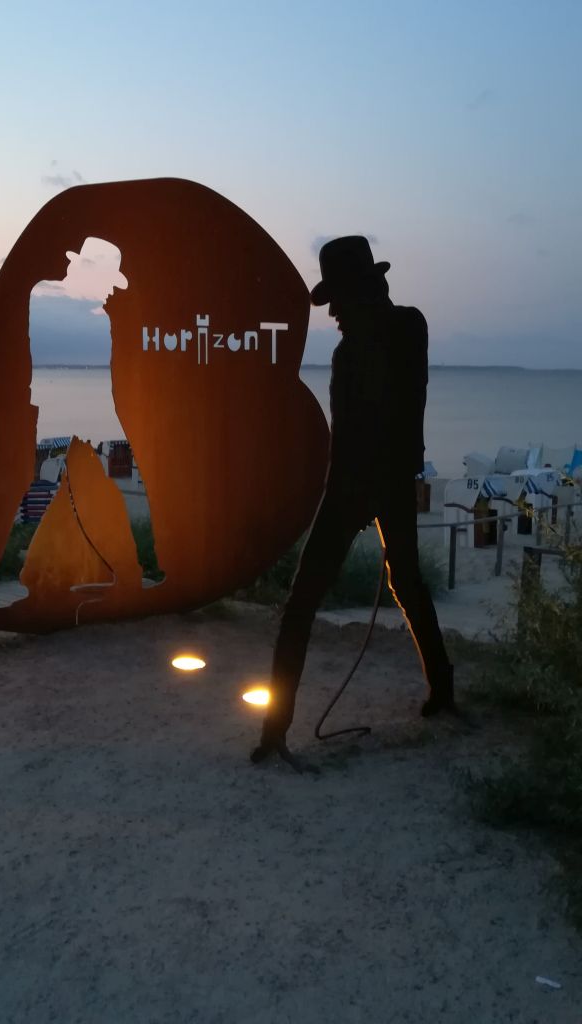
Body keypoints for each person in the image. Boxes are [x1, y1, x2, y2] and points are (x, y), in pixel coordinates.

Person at [252, 236, 456, 768]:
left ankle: (275, 730)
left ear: (361, 293)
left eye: (338, 301)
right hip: (388, 480)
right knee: (405, 583)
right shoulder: (405, 328)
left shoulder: (374, 342)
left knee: (303, 602)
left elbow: (354, 436)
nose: (334, 315)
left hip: (364, 483)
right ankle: (442, 690)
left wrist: (343, 502)